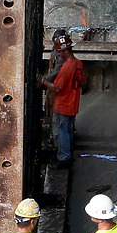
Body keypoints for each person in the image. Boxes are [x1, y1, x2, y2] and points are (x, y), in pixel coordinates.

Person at [38, 34, 84, 166]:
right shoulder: (78, 63)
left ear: (66, 50)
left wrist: (42, 81)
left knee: (60, 132)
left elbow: (56, 88)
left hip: (63, 105)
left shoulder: (66, 67)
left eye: (59, 51)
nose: (58, 54)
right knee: (67, 130)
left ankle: (63, 158)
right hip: (73, 104)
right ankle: (67, 154)